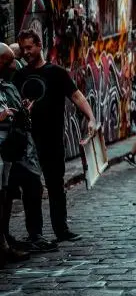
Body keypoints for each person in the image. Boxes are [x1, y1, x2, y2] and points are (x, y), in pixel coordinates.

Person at [15, 29, 97, 242]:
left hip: (52, 138)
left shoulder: (56, 72)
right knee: (31, 188)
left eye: (29, 47)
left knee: (55, 185)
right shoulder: (19, 75)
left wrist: (91, 118)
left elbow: (76, 95)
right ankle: (35, 234)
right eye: (22, 49)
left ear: (39, 45)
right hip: (27, 140)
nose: (26, 52)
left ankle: (61, 229)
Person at [0, 43, 39, 264]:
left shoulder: (7, 86)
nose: (12, 66)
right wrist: (4, 115)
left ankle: (4, 241)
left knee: (4, 197)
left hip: (9, 152)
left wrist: (21, 112)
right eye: (7, 62)